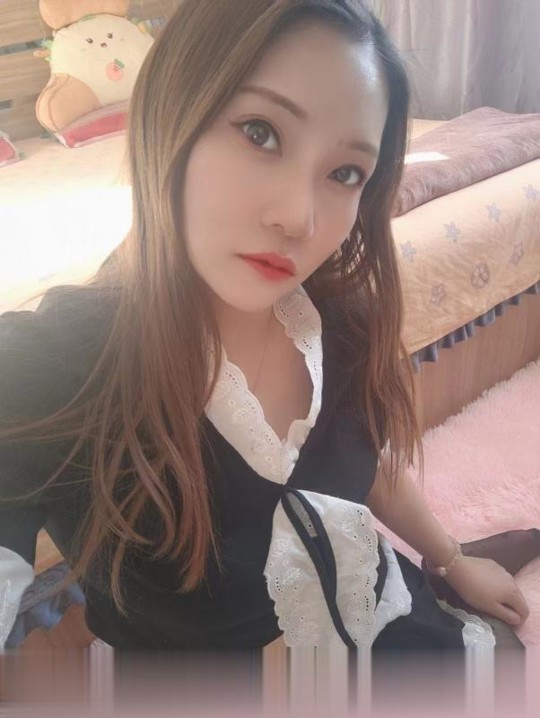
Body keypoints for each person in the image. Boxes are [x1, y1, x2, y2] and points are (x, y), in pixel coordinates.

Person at [0, 0, 534, 660]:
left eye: (345, 173)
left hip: (378, 617)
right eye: (261, 132)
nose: (298, 218)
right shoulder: (55, 366)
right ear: (172, 111)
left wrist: (451, 558)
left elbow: (363, 458)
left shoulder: (337, 317)